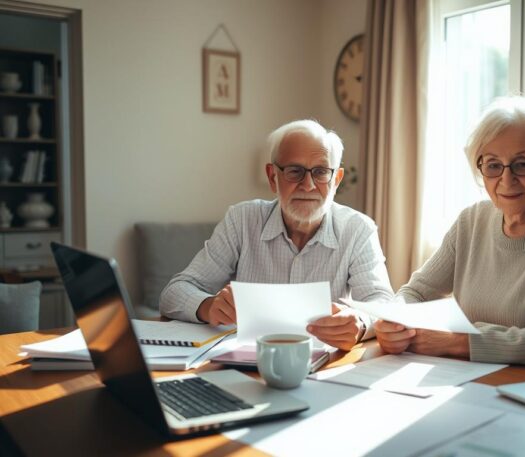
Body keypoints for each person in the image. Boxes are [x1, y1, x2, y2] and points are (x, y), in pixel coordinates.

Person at [374, 96, 525, 367]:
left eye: (522, 164)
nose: (506, 180)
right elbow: (416, 292)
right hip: (464, 383)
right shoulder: (470, 222)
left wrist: (462, 342)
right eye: (494, 165)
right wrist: (396, 320)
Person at [160, 119, 393, 350]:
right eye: (295, 171)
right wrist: (208, 306)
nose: (308, 185)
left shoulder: (358, 229)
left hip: (327, 367)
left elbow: (384, 304)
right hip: (247, 364)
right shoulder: (241, 220)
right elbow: (174, 292)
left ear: (336, 180)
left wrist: (360, 323)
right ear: (273, 177)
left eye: (321, 172)